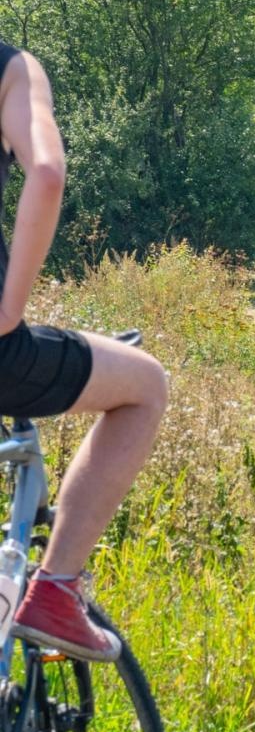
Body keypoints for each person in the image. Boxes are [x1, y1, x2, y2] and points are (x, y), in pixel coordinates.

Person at [0, 37, 169, 661]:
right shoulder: (10, 71)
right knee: (145, 385)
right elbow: (45, 173)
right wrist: (9, 311)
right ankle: (55, 587)